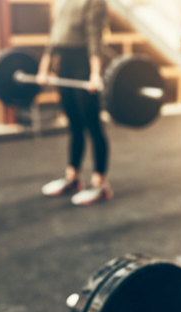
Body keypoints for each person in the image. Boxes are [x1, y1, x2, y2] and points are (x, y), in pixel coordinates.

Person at [37, 0, 113, 205]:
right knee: (74, 124)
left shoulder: (95, 2)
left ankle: (100, 184)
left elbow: (94, 36)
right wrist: (43, 69)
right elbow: (54, 34)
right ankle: (73, 178)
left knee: (93, 125)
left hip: (84, 64)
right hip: (65, 63)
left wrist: (95, 74)